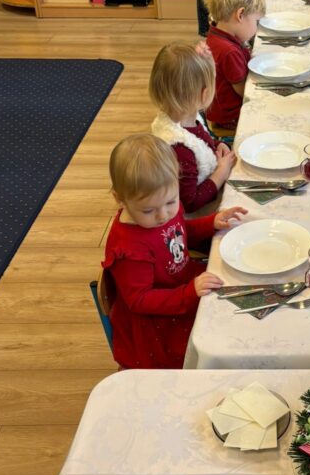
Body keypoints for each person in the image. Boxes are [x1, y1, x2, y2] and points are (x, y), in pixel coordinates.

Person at [102, 134, 247, 369]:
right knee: (215, 343)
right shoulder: (129, 249)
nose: (163, 215)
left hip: (182, 283)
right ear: (120, 199)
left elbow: (178, 231)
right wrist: (188, 293)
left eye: (171, 202)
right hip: (159, 320)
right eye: (148, 211)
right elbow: (140, 300)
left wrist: (211, 222)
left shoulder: (161, 208)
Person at [149, 42, 236, 212]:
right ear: (204, 94)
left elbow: (200, 141)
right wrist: (221, 172)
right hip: (202, 215)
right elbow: (189, 203)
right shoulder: (179, 148)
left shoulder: (188, 117)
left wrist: (217, 145)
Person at [203, 0, 266, 136]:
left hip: (218, 109)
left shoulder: (216, 34)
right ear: (240, 15)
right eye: (256, 21)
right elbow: (244, 91)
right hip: (229, 117)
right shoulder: (229, 52)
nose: (256, 27)